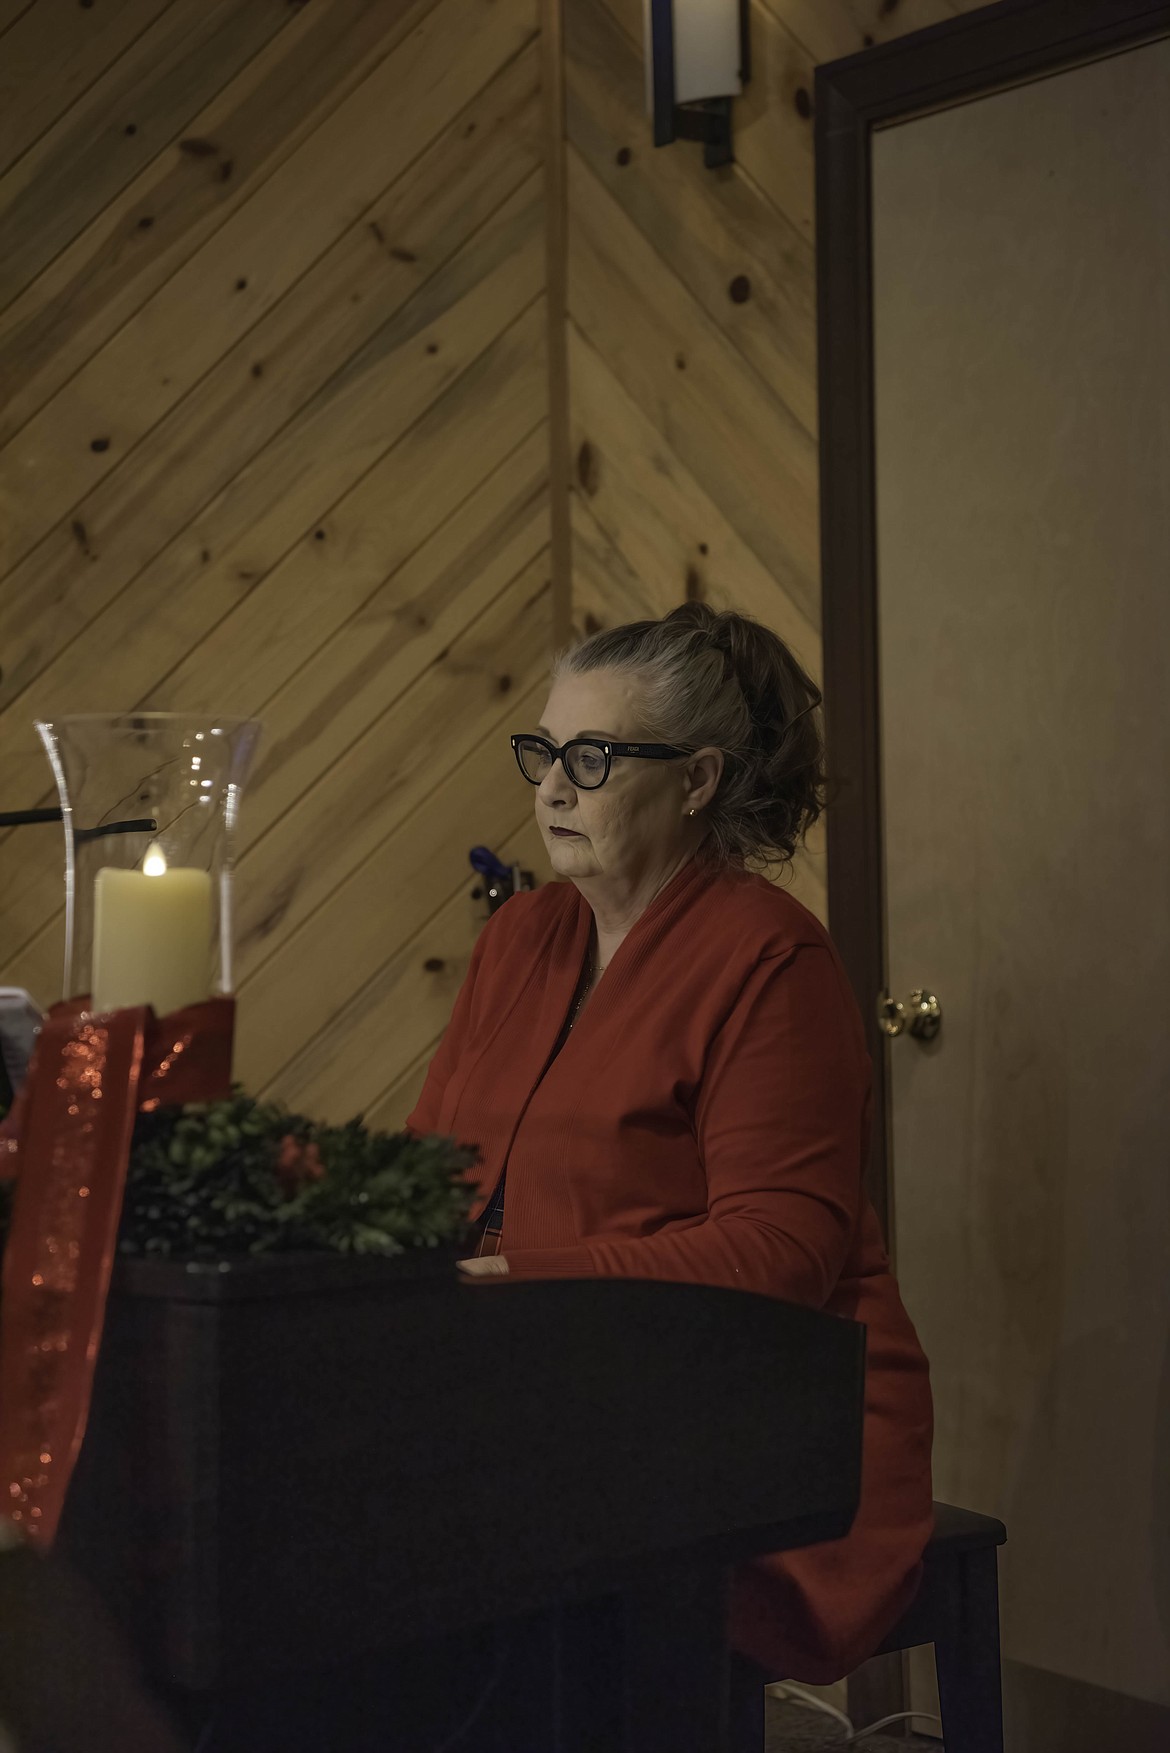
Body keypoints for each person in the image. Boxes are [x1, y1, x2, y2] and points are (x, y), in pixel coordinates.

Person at [406, 600, 933, 1687]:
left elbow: (777, 1256)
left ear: (696, 780)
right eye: (542, 752)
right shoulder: (521, 936)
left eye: (590, 758)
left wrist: (514, 1281)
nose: (550, 786)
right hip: (543, 1389)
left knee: (449, 1568)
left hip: (764, 1421)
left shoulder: (772, 961)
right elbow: (425, 1178)